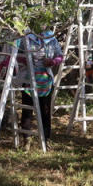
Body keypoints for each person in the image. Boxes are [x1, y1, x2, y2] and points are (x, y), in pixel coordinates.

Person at [16, 15, 63, 147]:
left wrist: (53, 62)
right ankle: (26, 140)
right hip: (29, 79)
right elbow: (17, 55)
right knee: (27, 111)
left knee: (45, 111)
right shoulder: (26, 37)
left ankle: (45, 139)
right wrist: (25, 60)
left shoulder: (50, 38)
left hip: (45, 80)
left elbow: (60, 56)